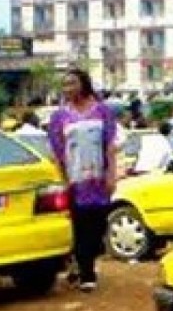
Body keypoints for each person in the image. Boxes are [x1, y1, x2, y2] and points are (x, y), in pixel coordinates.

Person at [46, 68, 119, 292]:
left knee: (98, 226)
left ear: (83, 84)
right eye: (65, 85)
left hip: (98, 180)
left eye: (72, 83)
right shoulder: (60, 117)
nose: (68, 89)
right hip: (76, 182)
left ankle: (81, 262)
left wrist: (111, 174)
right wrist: (64, 180)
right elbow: (58, 152)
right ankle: (87, 274)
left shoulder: (102, 111)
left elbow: (110, 145)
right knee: (81, 227)